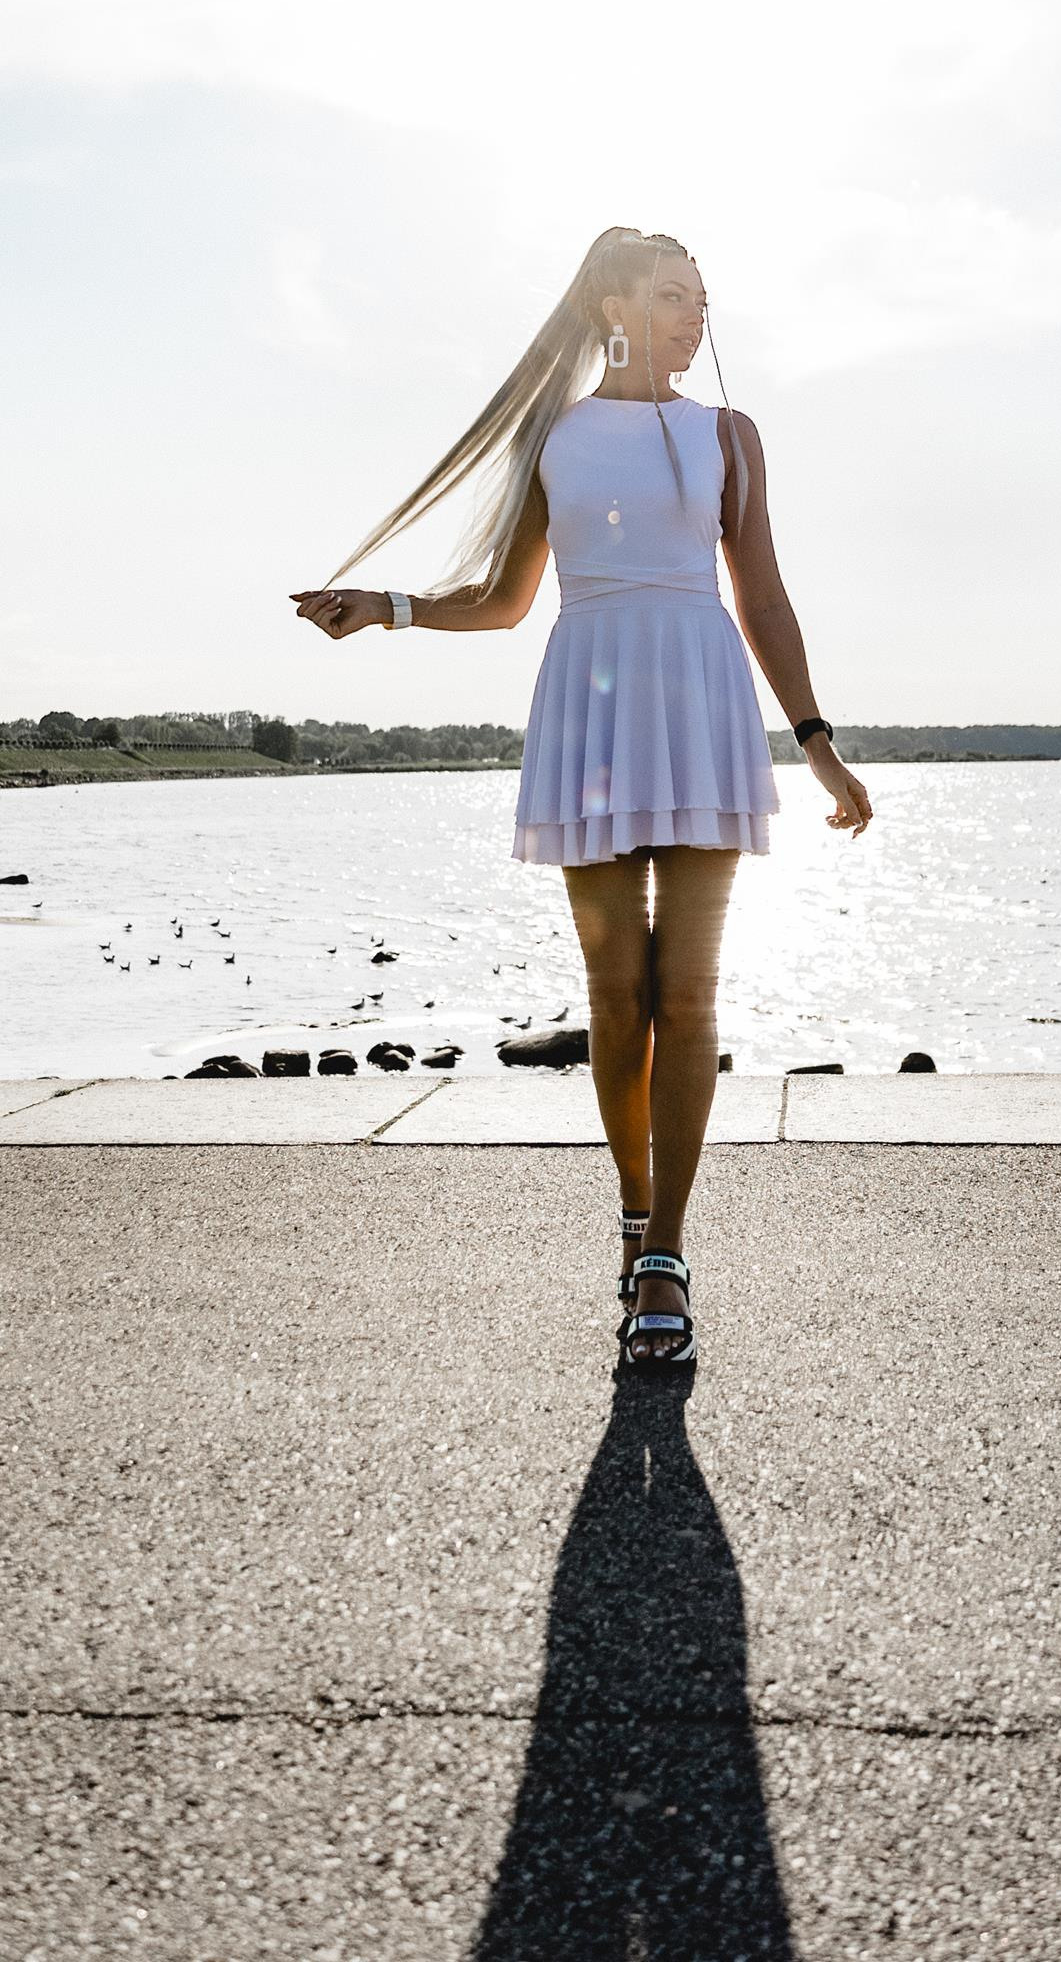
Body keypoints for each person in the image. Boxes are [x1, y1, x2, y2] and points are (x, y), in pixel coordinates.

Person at [292, 227, 870, 1366]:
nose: (694, 317)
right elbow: (507, 600)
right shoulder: (555, 435)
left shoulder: (730, 436)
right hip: (593, 707)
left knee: (689, 995)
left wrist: (817, 742)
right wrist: (388, 607)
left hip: (700, 707)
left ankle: (666, 1260)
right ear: (615, 301)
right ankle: (634, 1214)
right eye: (671, 296)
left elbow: (763, 594)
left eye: (703, 300)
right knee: (617, 995)